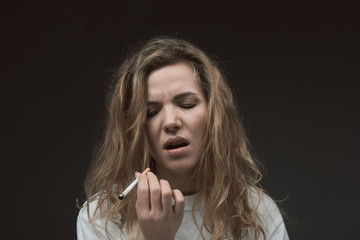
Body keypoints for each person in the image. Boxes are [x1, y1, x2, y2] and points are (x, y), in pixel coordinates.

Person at [76, 37, 289, 240]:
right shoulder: (101, 218)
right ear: (134, 128)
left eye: (187, 104)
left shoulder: (257, 213)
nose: (170, 122)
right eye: (150, 112)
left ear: (215, 115)